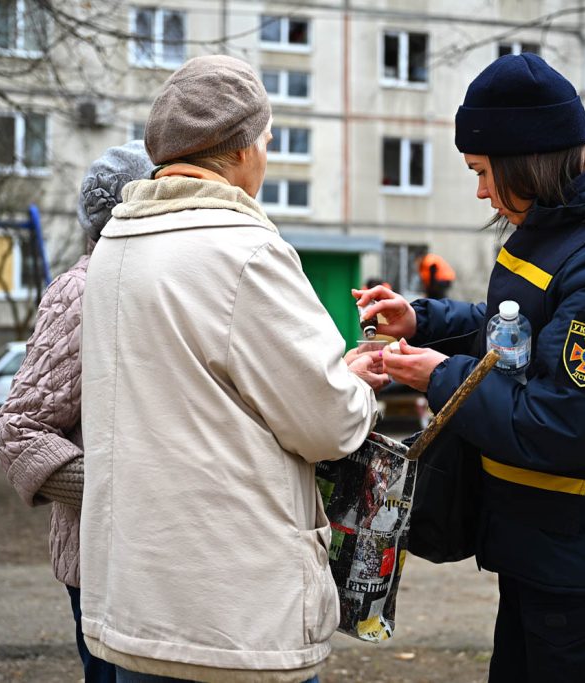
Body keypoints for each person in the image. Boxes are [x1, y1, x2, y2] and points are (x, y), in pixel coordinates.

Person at [356, 53, 585, 681]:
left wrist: (438, 375)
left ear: (527, 159)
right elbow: (518, 324)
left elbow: (555, 424)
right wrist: (423, 321)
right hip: (543, 544)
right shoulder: (564, 230)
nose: (481, 191)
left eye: (484, 172)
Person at [78, 55, 387, 683]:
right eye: (268, 141)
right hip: (232, 618)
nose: (267, 158)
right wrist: (354, 381)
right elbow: (328, 423)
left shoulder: (115, 247)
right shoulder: (246, 250)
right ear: (242, 151)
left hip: (138, 603)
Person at [0, 140, 152, 683]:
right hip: (100, 564)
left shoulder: (154, 284)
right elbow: (19, 429)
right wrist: (124, 492)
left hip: (153, 563)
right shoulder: (82, 290)